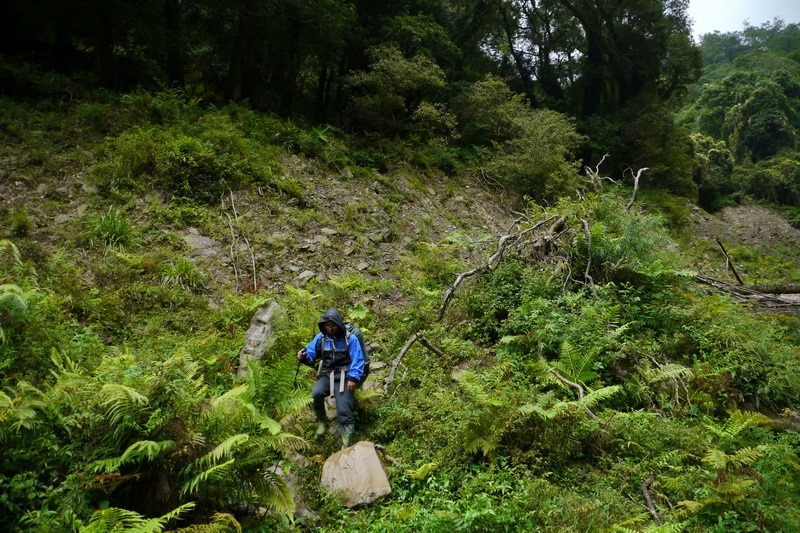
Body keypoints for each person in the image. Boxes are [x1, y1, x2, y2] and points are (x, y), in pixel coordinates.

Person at [297, 307, 365, 449]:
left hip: (345, 377)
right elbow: (310, 354)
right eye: (328, 325)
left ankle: (346, 440)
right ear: (324, 325)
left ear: (339, 324)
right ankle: (322, 421)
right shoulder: (321, 338)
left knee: (343, 409)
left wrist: (353, 378)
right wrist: (303, 356)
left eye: (333, 325)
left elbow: (358, 359)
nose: (331, 328)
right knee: (315, 395)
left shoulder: (349, 339)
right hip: (327, 374)